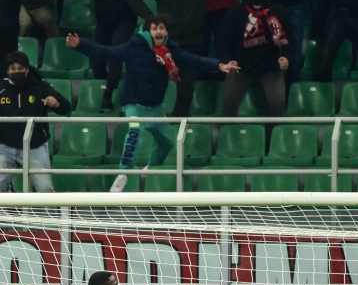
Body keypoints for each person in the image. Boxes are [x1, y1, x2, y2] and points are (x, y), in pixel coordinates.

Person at [67, 17, 239, 192]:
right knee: (134, 130)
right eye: (155, 28)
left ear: (166, 32)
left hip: (155, 108)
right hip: (133, 104)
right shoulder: (134, 47)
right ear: (149, 31)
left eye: (162, 28)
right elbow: (106, 52)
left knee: (167, 143)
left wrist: (218, 65)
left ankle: (149, 168)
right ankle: (123, 173)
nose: (158, 32)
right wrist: (81, 45)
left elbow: (193, 60)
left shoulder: (170, 50)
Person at [126, 0, 223, 117]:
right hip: (166, 42)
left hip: (192, 41)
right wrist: (150, 18)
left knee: (186, 87)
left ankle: (179, 121)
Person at [61, 0, 163, 111]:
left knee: (117, 51)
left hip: (125, 16)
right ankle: (102, 83)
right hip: (104, 18)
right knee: (97, 58)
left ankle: (108, 94)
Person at [0, 51, 69, 193]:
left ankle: (48, 215)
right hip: (6, 145)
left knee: (45, 188)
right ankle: (3, 214)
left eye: (20, 68)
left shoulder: (41, 87)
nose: (16, 72)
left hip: (35, 145)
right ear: (7, 71)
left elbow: (66, 108)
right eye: (13, 69)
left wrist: (56, 104)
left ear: (27, 69)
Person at [218, 0, 290, 119]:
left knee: (277, 106)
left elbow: (288, 38)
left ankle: (273, 138)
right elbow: (224, 39)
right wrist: (227, 60)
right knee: (228, 105)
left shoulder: (277, 12)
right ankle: (229, 136)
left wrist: (286, 56)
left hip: (271, 66)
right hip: (241, 66)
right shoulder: (235, 13)